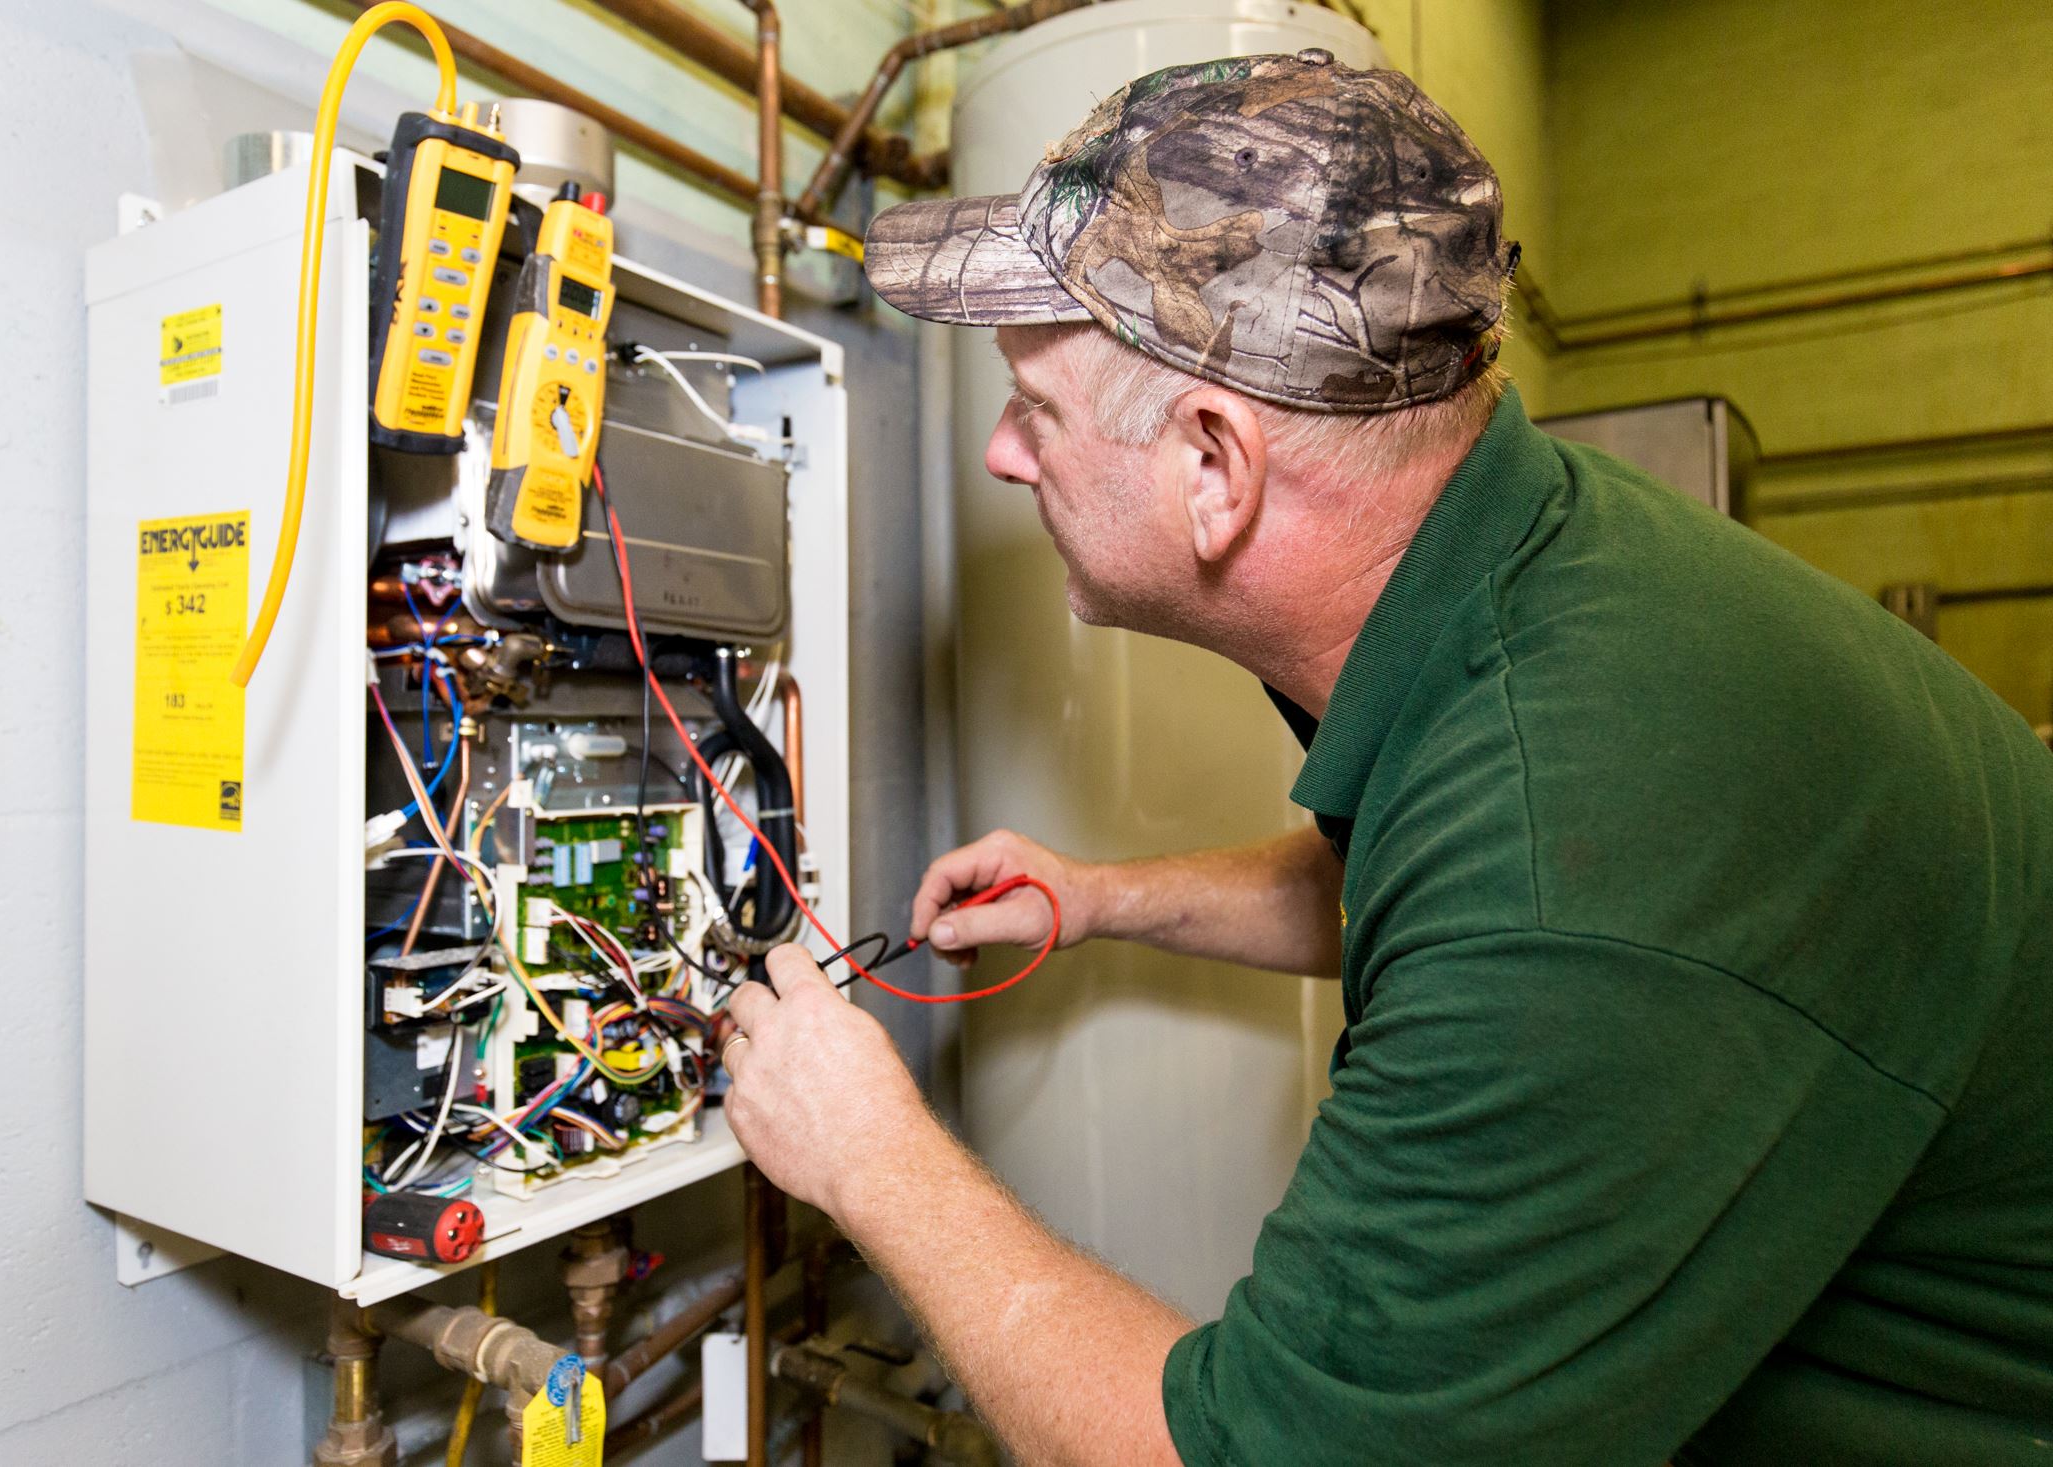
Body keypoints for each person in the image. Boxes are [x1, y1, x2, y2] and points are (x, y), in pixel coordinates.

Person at [718, 50, 2053, 1466]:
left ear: (1215, 469)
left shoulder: (1573, 842)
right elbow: (1419, 886)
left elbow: (1244, 1457)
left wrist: (868, 1154)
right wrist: (1106, 895)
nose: (998, 452)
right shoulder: (1535, 578)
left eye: (1034, 412)